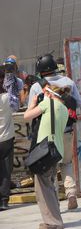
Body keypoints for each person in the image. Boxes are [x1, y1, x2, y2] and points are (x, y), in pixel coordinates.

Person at [28, 54, 81, 210]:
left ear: (40, 70)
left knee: (49, 167)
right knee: (66, 162)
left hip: (47, 133)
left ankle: (55, 203)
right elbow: (78, 103)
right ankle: (71, 193)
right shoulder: (68, 82)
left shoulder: (36, 87)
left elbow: (31, 110)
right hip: (67, 129)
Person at [24, 82, 69, 229]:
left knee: (43, 189)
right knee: (49, 186)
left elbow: (26, 116)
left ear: (49, 93)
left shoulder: (47, 103)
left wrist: (32, 103)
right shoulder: (64, 109)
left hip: (44, 152)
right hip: (55, 152)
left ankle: (54, 222)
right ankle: (54, 220)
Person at [0, 66, 18, 210]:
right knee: (6, 170)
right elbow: (17, 106)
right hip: (7, 138)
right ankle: (4, 201)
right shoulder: (7, 98)